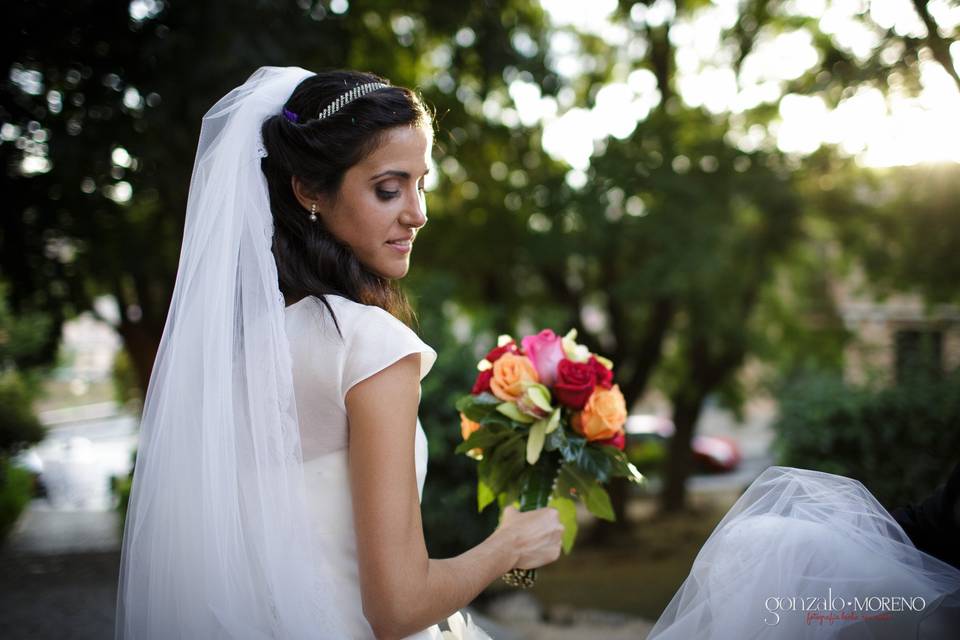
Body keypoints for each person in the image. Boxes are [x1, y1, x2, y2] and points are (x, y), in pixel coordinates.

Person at [115, 66, 563, 639]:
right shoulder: (371, 346)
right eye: (388, 188)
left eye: (421, 183)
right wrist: (507, 547)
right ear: (307, 190)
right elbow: (397, 607)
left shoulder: (246, 348)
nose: (417, 212)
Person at [647, 466, 960, 639]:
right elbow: (930, 520)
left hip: (947, 608)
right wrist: (845, 528)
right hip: (935, 576)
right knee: (770, 536)